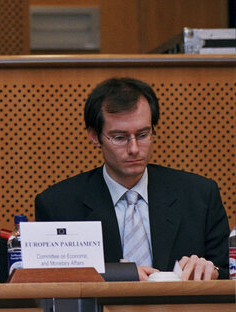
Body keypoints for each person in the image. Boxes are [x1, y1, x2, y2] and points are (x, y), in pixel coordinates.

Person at [35, 77, 229, 280]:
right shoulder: (58, 205)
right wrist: (119, 275)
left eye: (143, 134)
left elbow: (228, 273)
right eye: (120, 137)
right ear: (94, 136)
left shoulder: (200, 195)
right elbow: (50, 280)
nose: (134, 149)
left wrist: (211, 271)